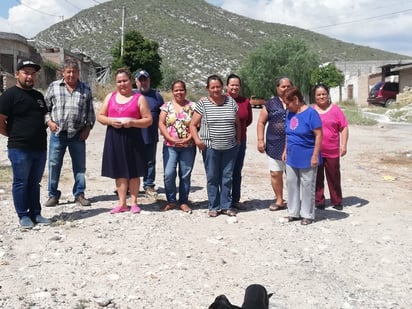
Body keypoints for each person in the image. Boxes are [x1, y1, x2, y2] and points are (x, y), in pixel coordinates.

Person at [0, 59, 51, 228]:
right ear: (17, 74)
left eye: (32, 73)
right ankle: (23, 216)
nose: (30, 76)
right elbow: (1, 121)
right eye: (26, 72)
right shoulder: (9, 95)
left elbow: (44, 117)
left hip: (40, 147)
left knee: (34, 183)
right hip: (19, 148)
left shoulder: (38, 96)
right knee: (21, 182)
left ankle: (36, 213)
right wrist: (11, 134)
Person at [98, 68, 152, 214]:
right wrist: (110, 121)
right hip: (114, 137)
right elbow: (100, 116)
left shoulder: (139, 98)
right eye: (119, 81)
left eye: (125, 81)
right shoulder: (110, 97)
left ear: (130, 81)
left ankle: (134, 202)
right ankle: (122, 203)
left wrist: (133, 122)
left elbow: (148, 120)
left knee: (134, 171)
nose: (122, 84)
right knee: (119, 171)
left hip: (133, 138)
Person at [44, 59, 95, 207]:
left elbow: (90, 113)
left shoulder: (85, 89)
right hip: (58, 135)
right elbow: (45, 109)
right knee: (54, 165)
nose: (71, 74)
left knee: (79, 166)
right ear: (63, 73)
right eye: (68, 72)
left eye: (74, 72)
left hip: (78, 135)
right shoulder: (53, 87)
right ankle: (53, 195)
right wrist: (49, 122)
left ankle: (79, 194)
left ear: (78, 73)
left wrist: (87, 129)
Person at [190, 74, 240, 218]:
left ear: (222, 87)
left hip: (230, 147)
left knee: (227, 177)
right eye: (213, 87)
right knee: (212, 177)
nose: (216, 89)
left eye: (218, 86)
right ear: (208, 89)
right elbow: (193, 124)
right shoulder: (203, 103)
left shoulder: (230, 102)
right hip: (210, 147)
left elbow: (237, 123)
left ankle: (226, 206)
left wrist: (237, 139)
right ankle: (214, 206)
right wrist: (198, 140)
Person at [283, 86, 322, 225]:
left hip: (307, 154)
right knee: (291, 183)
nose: (286, 107)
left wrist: (315, 155)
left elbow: (318, 135)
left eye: (288, 103)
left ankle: (308, 214)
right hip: (292, 155)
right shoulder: (290, 113)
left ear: (296, 99)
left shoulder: (311, 113)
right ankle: (293, 212)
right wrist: (285, 150)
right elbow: (288, 133)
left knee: (307, 184)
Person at [158, 80, 196, 213]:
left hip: (188, 146)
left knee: (185, 174)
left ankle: (184, 202)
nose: (179, 92)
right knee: (169, 173)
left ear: (185, 91)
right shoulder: (166, 106)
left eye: (181, 90)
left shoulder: (193, 106)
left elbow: (196, 124)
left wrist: (189, 138)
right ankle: (171, 201)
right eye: (176, 90)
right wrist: (169, 137)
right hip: (170, 146)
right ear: (172, 91)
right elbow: (161, 123)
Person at [257, 77, 292, 211]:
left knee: (293, 175)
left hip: (293, 144)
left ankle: (295, 201)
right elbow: (261, 122)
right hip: (274, 144)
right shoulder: (270, 104)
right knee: (275, 173)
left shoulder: (297, 102)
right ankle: (279, 200)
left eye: (288, 86)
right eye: (283, 86)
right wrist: (260, 140)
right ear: (277, 88)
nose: (286, 89)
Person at [312, 83, 349, 211]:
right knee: (317, 177)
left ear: (328, 95)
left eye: (324, 94)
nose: (321, 96)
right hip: (316, 151)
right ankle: (319, 201)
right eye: (318, 94)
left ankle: (337, 200)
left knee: (334, 176)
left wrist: (343, 145)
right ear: (314, 96)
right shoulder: (311, 110)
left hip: (332, 150)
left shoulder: (336, 110)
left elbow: (344, 127)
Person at [135, 70, 164, 197]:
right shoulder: (131, 95)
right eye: (140, 80)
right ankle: (131, 185)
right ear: (136, 81)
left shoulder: (156, 96)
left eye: (145, 79)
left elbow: (163, 115)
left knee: (150, 162)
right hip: (134, 135)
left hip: (150, 135)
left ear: (149, 80)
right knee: (132, 160)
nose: (143, 82)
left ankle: (149, 185)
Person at [226, 74, 252, 211]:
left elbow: (248, 121)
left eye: (237, 85)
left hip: (240, 141)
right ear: (227, 86)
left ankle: (235, 199)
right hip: (224, 142)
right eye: (232, 85)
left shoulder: (245, 102)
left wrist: (238, 132)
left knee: (236, 171)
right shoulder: (221, 100)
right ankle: (223, 199)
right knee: (225, 172)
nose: (234, 87)